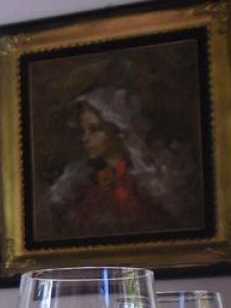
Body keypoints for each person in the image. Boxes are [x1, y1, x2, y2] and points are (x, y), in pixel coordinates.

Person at [40, 87, 198, 241]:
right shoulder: (83, 187)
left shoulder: (147, 186)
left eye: (95, 130)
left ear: (120, 133)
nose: (85, 139)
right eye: (83, 131)